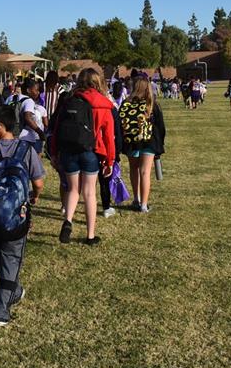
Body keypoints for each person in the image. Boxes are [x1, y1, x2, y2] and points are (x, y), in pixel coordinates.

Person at [0, 105, 44, 327]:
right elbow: (39, 182)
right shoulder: (26, 150)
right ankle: (0, 311)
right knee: (12, 260)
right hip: (16, 217)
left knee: (2, 258)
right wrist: (35, 195)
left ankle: (14, 290)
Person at [52, 68, 114, 246]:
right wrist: (109, 160)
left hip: (69, 150)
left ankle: (68, 220)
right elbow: (109, 136)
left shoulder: (70, 101)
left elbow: (57, 129)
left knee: (73, 189)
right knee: (89, 193)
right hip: (91, 152)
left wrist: (55, 152)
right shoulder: (103, 104)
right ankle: (90, 235)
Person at [123, 76, 166, 214]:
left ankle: (136, 198)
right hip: (149, 141)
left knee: (134, 169)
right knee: (145, 172)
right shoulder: (151, 104)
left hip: (131, 142)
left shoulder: (126, 103)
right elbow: (160, 127)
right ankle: (144, 205)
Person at [14, 79, 46, 154]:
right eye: (36, 90)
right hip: (25, 138)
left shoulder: (12, 98)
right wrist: (40, 132)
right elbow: (28, 117)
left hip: (12, 136)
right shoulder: (29, 101)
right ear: (28, 90)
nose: (38, 93)